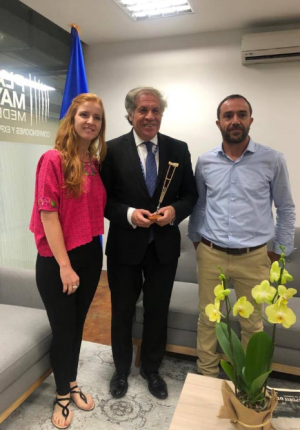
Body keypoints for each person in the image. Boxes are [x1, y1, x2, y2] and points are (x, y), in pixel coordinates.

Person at [188, 94, 295, 378]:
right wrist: (196, 240)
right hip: (211, 254)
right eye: (228, 115)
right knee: (208, 320)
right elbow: (200, 203)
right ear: (218, 122)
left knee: (252, 323)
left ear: (250, 120)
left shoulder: (272, 160)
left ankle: (246, 382)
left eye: (241, 114)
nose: (235, 120)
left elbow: (285, 207)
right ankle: (206, 377)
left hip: (255, 257)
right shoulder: (206, 161)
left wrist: (279, 251)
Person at [101, 86, 197, 400]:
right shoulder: (111, 150)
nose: (150, 116)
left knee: (158, 310)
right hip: (124, 247)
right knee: (122, 311)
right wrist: (128, 214)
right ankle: (121, 370)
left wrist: (175, 211)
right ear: (130, 114)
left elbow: (191, 195)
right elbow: (103, 201)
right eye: (143, 110)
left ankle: (151, 370)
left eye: (156, 110)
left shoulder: (178, 149)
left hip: (164, 246)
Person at [30, 93, 107, 429]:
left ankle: (71, 380)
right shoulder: (52, 159)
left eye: (97, 118)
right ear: (72, 119)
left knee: (77, 326)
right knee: (63, 329)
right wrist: (64, 265)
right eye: (84, 115)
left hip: (91, 253)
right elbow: (48, 215)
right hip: (58, 259)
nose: (91, 122)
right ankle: (61, 394)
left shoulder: (93, 162)